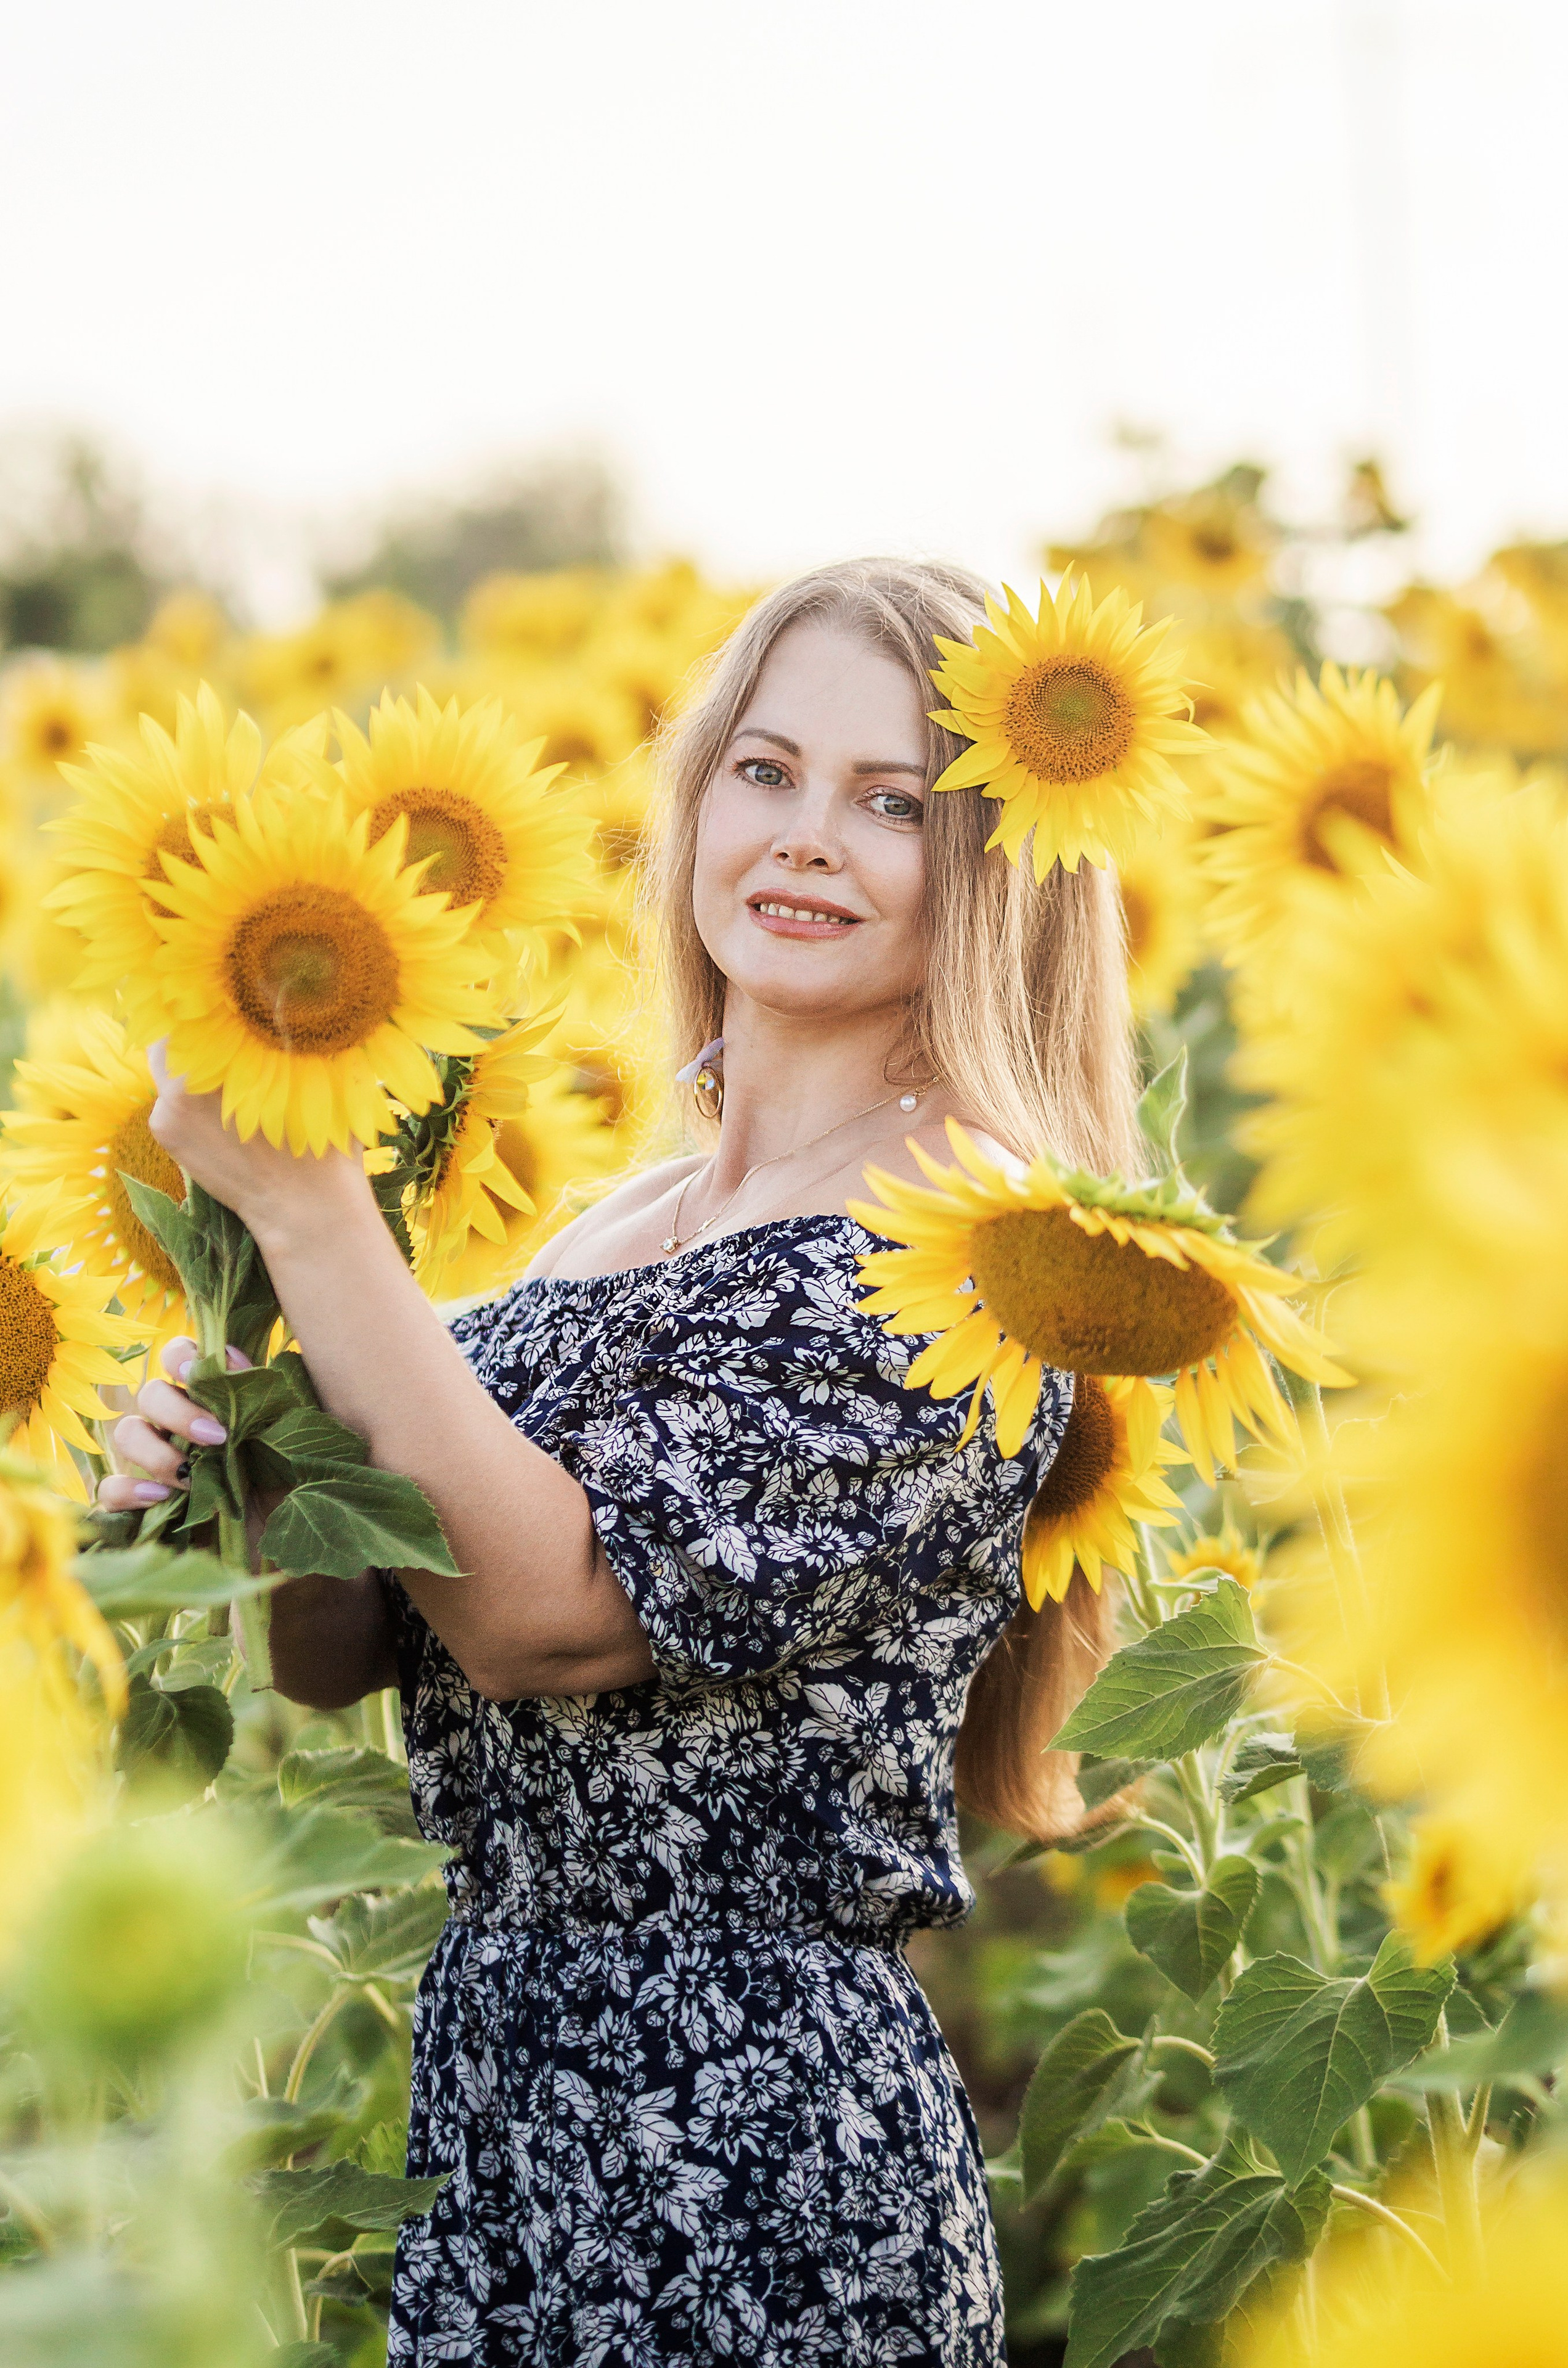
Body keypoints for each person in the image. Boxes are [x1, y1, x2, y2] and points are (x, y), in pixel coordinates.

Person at [99, 558, 1140, 2367]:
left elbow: (546, 1621)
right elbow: (346, 1644)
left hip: (747, 2162)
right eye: (767, 770)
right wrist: (257, 1439)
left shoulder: (966, 1255)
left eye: (893, 802)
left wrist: (310, 1206)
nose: (807, 835)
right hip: (505, 2109)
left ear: (998, 863)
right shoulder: (623, 1218)